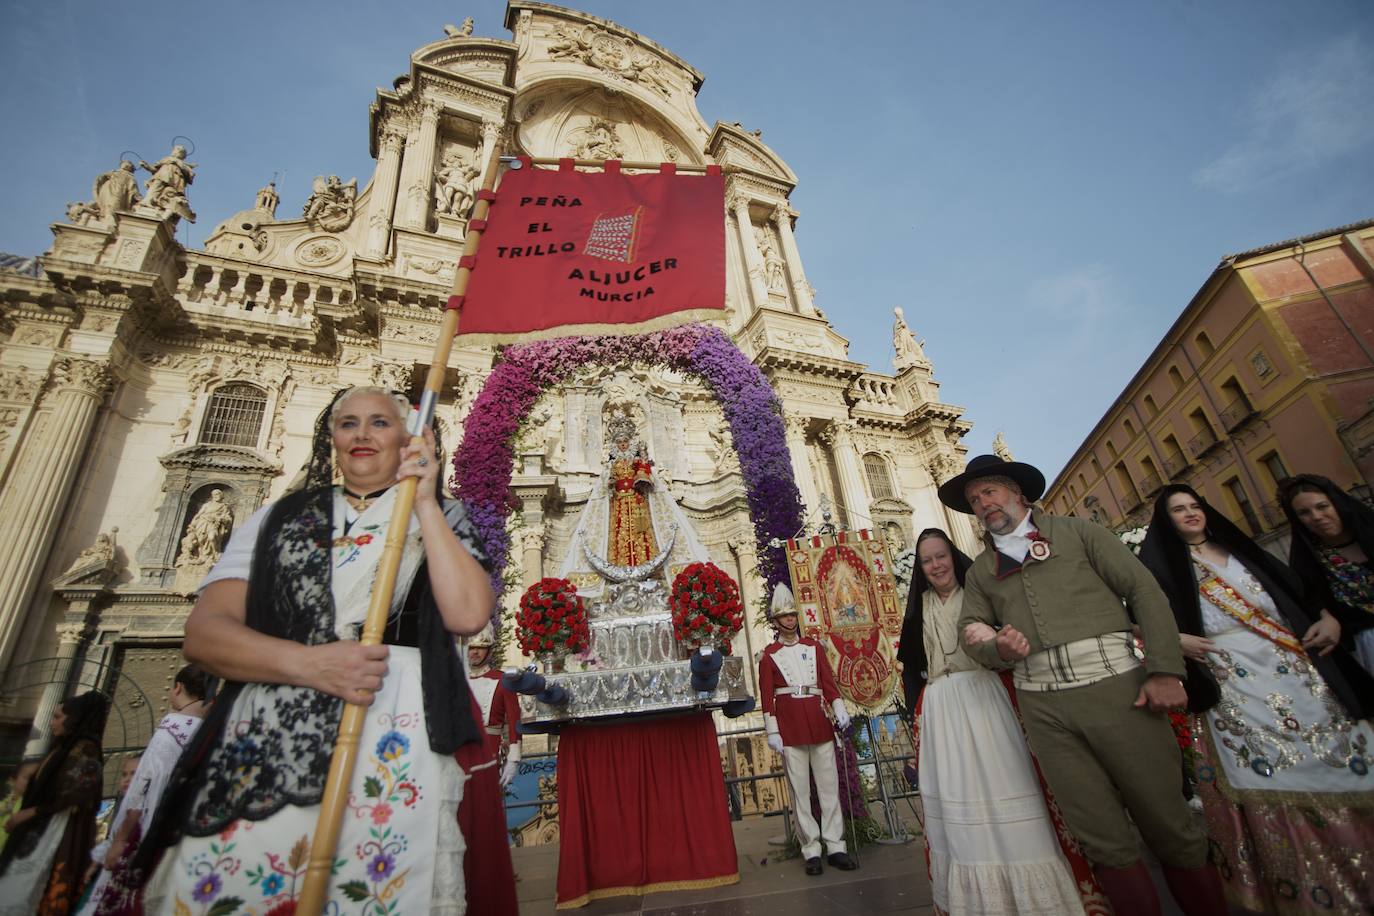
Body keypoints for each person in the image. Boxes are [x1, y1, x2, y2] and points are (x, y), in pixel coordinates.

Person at [138, 386, 495, 913]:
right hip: (266, 736)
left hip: (392, 733)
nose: (363, 434)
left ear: (411, 437)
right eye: (348, 423)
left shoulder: (440, 517)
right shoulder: (276, 520)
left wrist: (423, 500)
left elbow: (468, 615)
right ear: (331, 437)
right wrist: (306, 662)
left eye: (381, 422)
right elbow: (205, 634)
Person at [946, 454, 1225, 916]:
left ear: (1018, 493)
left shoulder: (1080, 533)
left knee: (1169, 825)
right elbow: (972, 631)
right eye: (975, 500)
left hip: (1118, 691)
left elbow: (1143, 591)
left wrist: (1164, 670)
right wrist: (996, 646)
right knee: (1101, 839)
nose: (983, 503)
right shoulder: (980, 572)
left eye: (990, 492)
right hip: (1045, 712)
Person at [1138, 484, 1374, 912]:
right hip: (1234, 688)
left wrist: (1328, 618)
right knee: (1268, 780)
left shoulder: (1244, 554)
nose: (1190, 514)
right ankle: (1310, 891)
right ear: (1164, 520)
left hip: (1299, 676)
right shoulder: (1159, 568)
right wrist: (1171, 640)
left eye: (1195, 505)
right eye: (1178, 509)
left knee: (1345, 763)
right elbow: (1139, 619)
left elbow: (1304, 591)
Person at [900, 528, 1092, 915]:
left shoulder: (980, 593)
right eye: (927, 560)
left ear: (953, 556)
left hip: (987, 700)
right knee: (959, 802)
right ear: (919, 568)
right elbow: (912, 668)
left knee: (1011, 784)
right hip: (941, 711)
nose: (936, 565)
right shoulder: (918, 607)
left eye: (941, 556)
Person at [81, 665, 211, 915]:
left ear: (177, 688)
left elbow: (144, 786)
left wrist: (120, 839)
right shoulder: (209, 731)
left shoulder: (170, 729)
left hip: (145, 832)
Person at [758, 585, 857, 877]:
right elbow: (767, 695)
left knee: (829, 789)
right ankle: (811, 849)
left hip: (819, 721)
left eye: (792, 615)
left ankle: (836, 845)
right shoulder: (770, 654)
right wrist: (772, 730)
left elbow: (827, 681)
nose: (790, 621)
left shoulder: (814, 647)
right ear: (775, 622)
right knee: (800, 793)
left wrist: (839, 707)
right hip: (790, 727)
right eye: (784, 617)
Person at [0, 691, 108, 915]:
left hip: (56, 830)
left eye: (58, 717)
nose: (52, 722)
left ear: (74, 719)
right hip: (38, 827)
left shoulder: (85, 748)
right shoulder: (64, 747)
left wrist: (29, 813)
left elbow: (75, 792)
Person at [1279, 473, 1374, 674]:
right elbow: (1309, 601)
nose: (1316, 517)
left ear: (1338, 503)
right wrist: (1326, 616)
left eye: (1322, 506)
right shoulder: (1307, 564)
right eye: (1304, 513)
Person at [454, 624, 520, 914]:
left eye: (480, 647)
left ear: (489, 650)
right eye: (471, 647)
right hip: (459, 750)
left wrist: (515, 756)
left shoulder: (503, 680)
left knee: (491, 813)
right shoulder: (455, 679)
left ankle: (497, 869)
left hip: (491, 748)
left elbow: (514, 721)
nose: (475, 652)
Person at [0, 761, 40, 854]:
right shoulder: (5, 804)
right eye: (28, 777)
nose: (33, 781)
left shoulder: (33, 807)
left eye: (38, 778)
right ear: (12, 781)